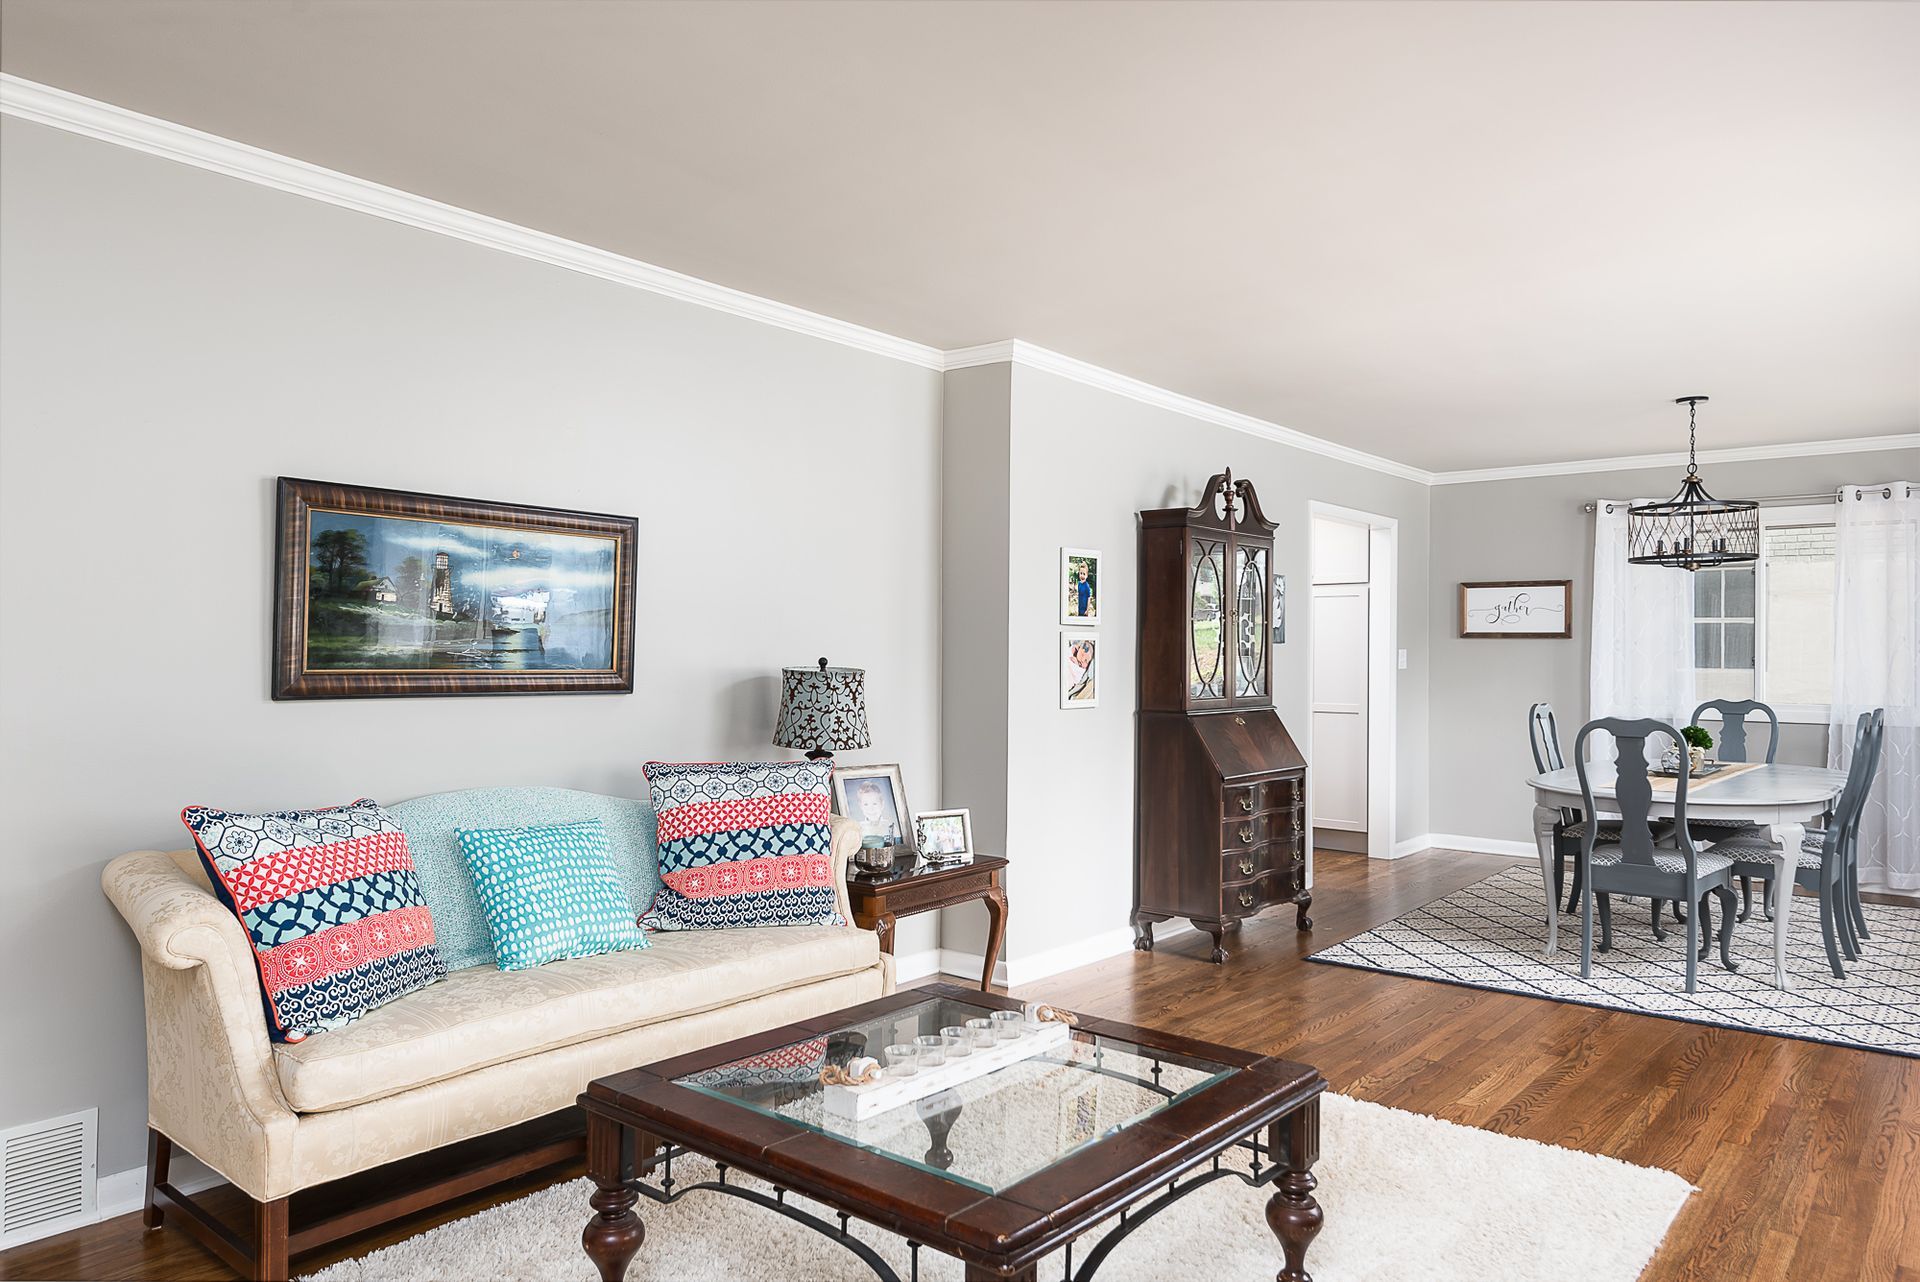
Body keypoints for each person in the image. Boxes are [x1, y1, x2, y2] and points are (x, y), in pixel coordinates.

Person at [853, 780, 902, 846]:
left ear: (882, 804)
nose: (871, 809)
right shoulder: (858, 828)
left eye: (875, 803)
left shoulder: (890, 826)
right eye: (866, 804)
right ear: (860, 806)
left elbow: (899, 847)